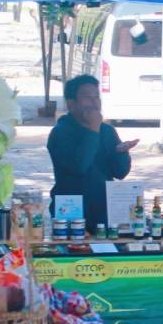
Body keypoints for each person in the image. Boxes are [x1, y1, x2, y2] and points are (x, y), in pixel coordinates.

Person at [48, 74, 138, 232]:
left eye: (97, 96)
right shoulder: (60, 132)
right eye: (87, 97)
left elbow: (120, 173)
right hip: (70, 212)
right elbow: (79, 166)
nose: (94, 102)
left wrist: (121, 153)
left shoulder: (107, 131)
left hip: (104, 213)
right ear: (71, 104)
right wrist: (93, 130)